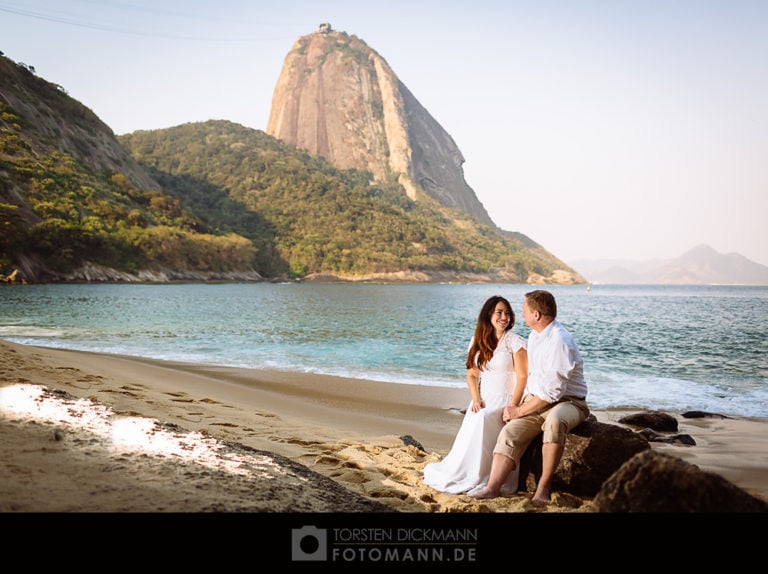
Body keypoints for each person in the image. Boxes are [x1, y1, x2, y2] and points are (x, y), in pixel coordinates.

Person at [469, 289, 589, 505]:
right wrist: (519, 405)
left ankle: (544, 486)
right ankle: (492, 488)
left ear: (537, 315)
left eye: (524, 310)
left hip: (569, 402)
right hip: (538, 401)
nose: (520, 315)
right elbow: (532, 378)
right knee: (510, 431)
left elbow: (554, 392)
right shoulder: (535, 336)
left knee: (554, 421)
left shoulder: (560, 341)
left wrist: (519, 409)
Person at [423, 295, 528, 495]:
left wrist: (513, 406)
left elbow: (522, 377)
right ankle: (465, 473)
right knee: (476, 414)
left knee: (483, 418)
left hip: (507, 400)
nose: (504, 317)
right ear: (488, 314)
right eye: (499, 312)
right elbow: (471, 374)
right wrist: (476, 398)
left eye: (507, 313)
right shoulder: (477, 340)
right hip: (484, 398)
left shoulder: (516, 342)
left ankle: (488, 479)